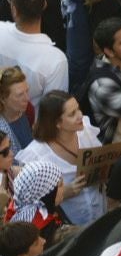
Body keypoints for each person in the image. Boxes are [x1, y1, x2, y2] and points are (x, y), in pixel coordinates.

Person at [16, 91, 102, 226]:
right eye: (72, 114)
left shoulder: (85, 129)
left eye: (78, 109)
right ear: (57, 123)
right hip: (70, 226)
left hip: (101, 212)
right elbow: (30, 204)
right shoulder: (36, 155)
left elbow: (101, 157)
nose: (80, 115)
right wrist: (64, 193)